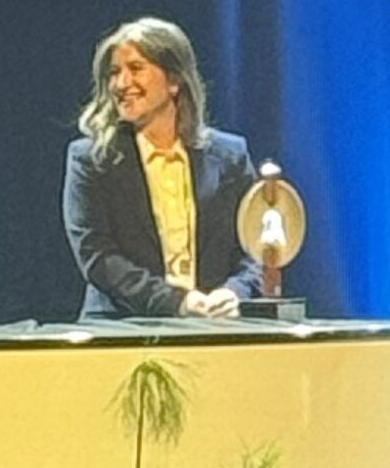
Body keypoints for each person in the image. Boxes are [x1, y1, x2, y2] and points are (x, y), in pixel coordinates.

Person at [62, 17, 263, 320]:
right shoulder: (91, 159)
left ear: (174, 80)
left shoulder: (230, 156)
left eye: (136, 68)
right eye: (114, 73)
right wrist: (177, 303)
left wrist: (235, 291)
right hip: (122, 329)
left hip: (217, 328)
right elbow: (97, 256)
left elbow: (256, 248)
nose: (121, 83)